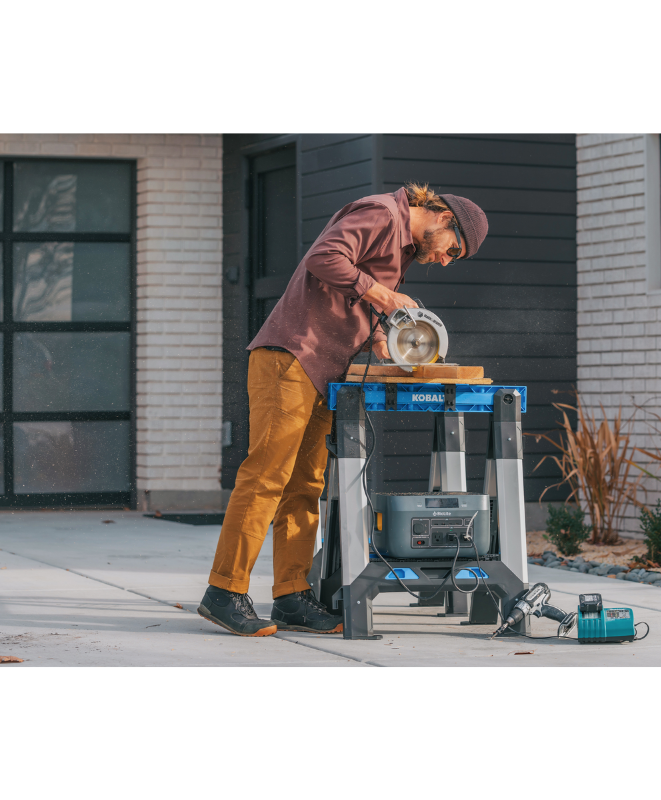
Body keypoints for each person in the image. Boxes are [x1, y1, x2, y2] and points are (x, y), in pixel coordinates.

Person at [197, 182, 489, 636]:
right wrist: (385, 296)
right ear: (445, 219)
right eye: (454, 251)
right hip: (291, 358)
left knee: (305, 486)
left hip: (328, 369)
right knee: (267, 476)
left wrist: (380, 338)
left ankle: (291, 596)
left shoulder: (404, 248)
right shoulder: (381, 214)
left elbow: (352, 300)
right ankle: (224, 591)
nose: (445, 260)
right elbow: (323, 258)